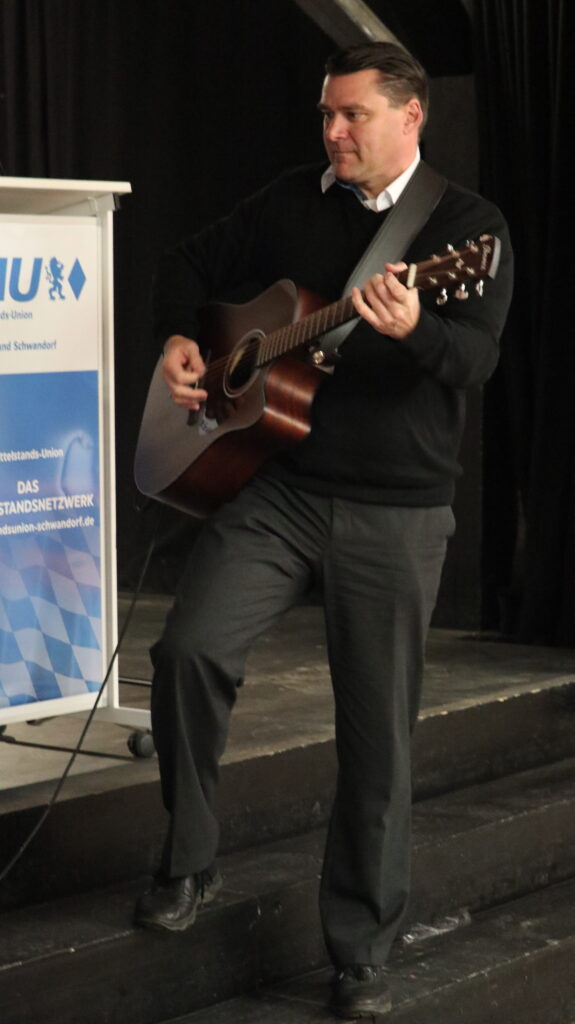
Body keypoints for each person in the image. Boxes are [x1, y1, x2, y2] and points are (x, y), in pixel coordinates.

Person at [134, 42, 513, 1019]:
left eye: (352, 116)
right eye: (325, 115)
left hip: (396, 510)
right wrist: (181, 340)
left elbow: (473, 362)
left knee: (375, 739)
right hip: (280, 490)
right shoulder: (288, 202)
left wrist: (413, 329)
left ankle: (361, 949)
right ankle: (188, 856)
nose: (332, 134)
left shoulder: (466, 231)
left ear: (409, 116)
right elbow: (184, 264)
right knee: (186, 649)